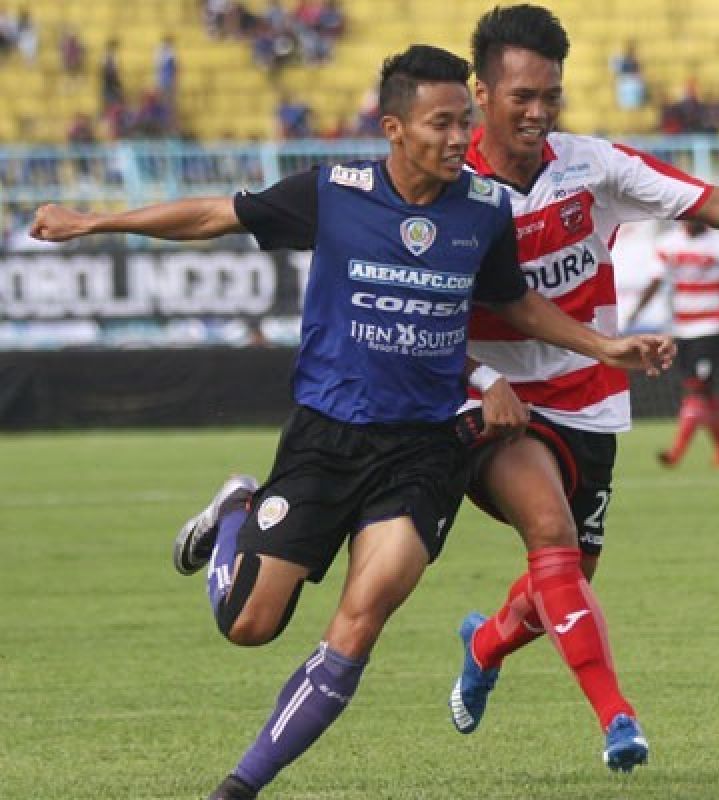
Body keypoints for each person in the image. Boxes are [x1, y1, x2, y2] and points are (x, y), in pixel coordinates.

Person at [28, 45, 673, 800]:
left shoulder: (484, 210)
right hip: (326, 439)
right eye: (442, 124)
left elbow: (514, 304)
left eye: (464, 122)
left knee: (361, 621)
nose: (459, 138)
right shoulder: (336, 193)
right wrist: (95, 220)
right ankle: (239, 509)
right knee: (250, 626)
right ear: (394, 128)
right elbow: (217, 213)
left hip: (424, 454)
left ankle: (238, 788)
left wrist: (605, 346)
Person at [446, 3, 719, 773]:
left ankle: (486, 640)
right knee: (552, 539)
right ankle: (617, 718)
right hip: (494, 402)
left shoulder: (593, 166)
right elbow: (421, 309)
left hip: (589, 393)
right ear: (480, 94)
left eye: (549, 95)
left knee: (566, 578)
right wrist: (484, 377)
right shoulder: (446, 192)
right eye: (521, 95)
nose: (537, 111)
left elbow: (710, 200)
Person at [626, 218, 719, 466]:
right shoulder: (668, 244)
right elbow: (655, 282)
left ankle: (675, 453)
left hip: (712, 328)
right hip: (681, 330)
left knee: (695, 390)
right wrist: (635, 312)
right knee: (704, 394)